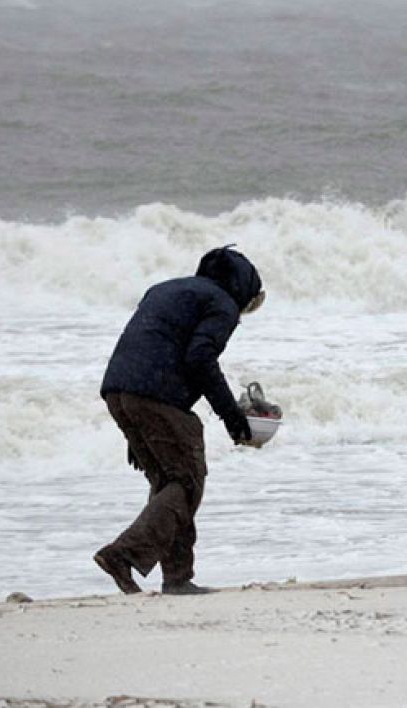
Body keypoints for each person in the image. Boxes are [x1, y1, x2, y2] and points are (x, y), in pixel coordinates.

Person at [93, 245, 265, 596]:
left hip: (119, 392)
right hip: (155, 397)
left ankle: (178, 578)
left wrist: (137, 428)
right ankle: (123, 555)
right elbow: (200, 358)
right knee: (185, 483)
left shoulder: (166, 290)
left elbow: (149, 346)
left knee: (169, 483)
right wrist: (232, 417)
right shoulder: (222, 304)